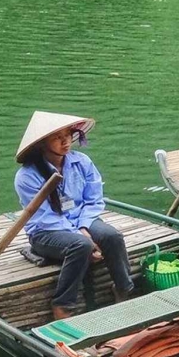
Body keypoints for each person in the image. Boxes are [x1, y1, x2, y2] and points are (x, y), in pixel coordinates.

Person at [14, 111, 133, 320]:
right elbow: (45, 218)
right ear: (42, 143)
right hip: (46, 232)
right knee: (81, 245)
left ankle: (123, 289)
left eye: (68, 135)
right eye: (57, 137)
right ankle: (63, 305)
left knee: (112, 236)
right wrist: (81, 235)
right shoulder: (27, 176)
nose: (65, 141)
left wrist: (84, 227)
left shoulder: (82, 162)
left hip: (81, 221)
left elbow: (93, 200)